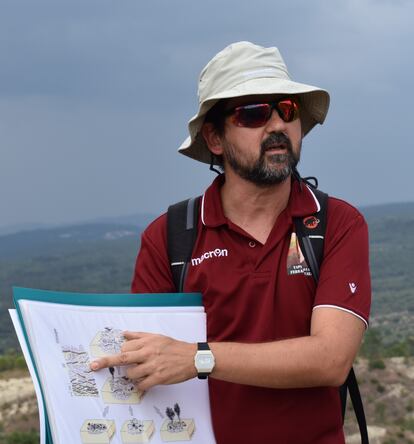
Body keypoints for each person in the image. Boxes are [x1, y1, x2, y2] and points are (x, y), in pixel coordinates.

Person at [91, 41, 371, 443]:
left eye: (287, 110)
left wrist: (199, 358)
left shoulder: (336, 223)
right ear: (215, 138)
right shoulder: (169, 237)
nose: (276, 125)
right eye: (254, 113)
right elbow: (145, 363)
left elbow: (330, 360)